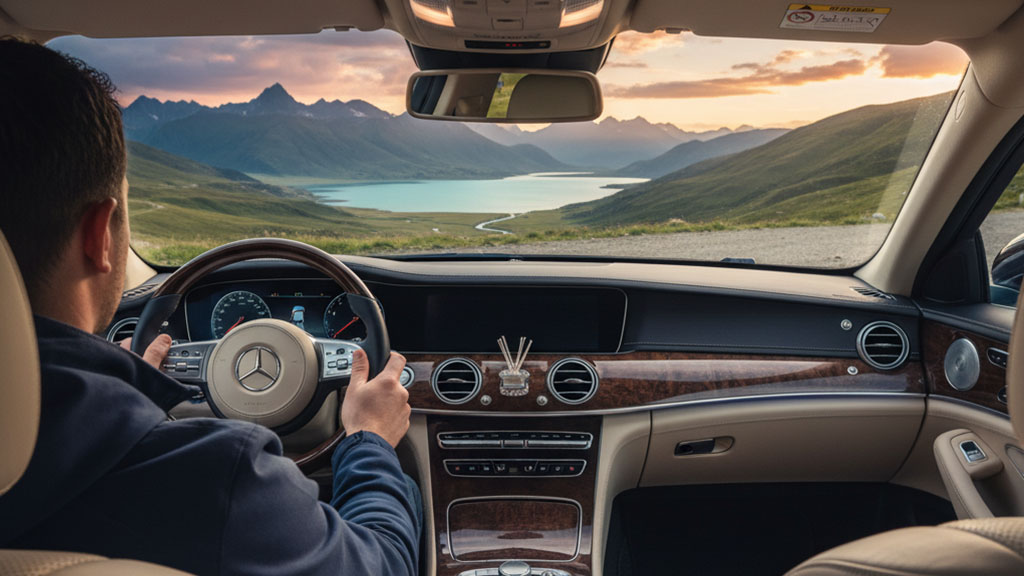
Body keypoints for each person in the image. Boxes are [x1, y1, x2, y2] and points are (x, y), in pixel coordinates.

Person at [0, 38, 421, 575]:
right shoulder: (213, 479)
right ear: (100, 236)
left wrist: (132, 399)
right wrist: (367, 440)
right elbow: (380, 564)